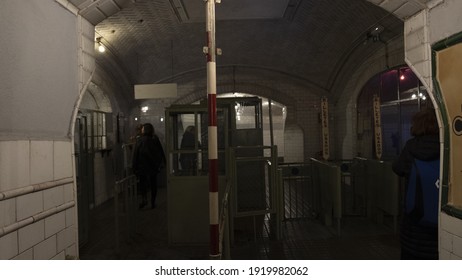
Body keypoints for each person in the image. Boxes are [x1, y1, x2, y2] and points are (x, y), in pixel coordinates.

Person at [392, 107, 440, 260]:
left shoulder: (411, 146)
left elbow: (398, 168)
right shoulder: (447, 147)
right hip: (439, 224)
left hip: (414, 224)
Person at [132, 123, 166, 209]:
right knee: (153, 184)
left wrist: (134, 166)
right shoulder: (155, 138)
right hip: (153, 165)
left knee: (142, 183)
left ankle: (144, 199)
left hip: (142, 165)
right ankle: (153, 202)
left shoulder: (140, 140)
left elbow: (135, 154)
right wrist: (163, 162)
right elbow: (160, 151)